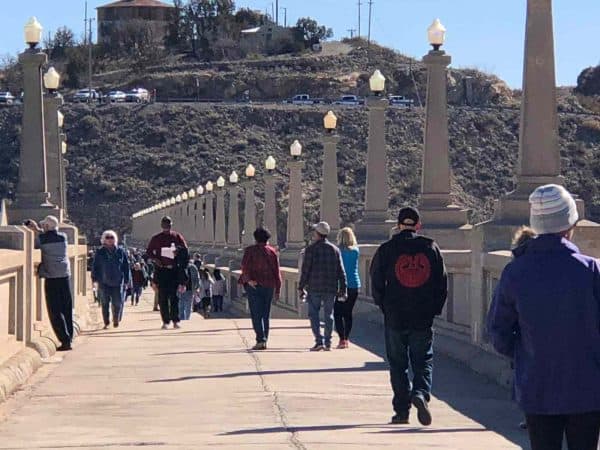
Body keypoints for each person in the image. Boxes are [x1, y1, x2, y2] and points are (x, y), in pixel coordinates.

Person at [487, 184, 600, 450]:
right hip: (587, 388)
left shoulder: (515, 272)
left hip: (537, 386)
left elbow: (498, 332)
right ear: (570, 221)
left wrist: (523, 354)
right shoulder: (590, 271)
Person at [370, 207, 447, 426]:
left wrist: (384, 305)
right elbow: (442, 283)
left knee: (397, 364)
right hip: (422, 316)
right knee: (423, 360)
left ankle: (401, 411)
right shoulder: (431, 247)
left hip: (395, 316)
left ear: (398, 225)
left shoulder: (386, 250)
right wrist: (434, 309)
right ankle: (421, 393)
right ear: (418, 225)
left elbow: (376, 282)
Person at [25, 216, 73, 351]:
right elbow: (49, 235)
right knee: (66, 308)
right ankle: (70, 336)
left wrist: (34, 229)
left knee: (55, 310)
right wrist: (39, 229)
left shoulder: (42, 240)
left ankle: (65, 340)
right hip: (64, 275)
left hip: (51, 277)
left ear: (46, 227)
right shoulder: (63, 237)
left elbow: (40, 241)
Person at [298, 222, 347, 352]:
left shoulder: (311, 250)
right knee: (329, 315)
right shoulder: (335, 250)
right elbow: (341, 271)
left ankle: (318, 341)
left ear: (317, 234)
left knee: (313, 314)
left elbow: (305, 270)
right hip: (330, 288)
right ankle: (328, 342)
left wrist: (301, 286)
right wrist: (343, 289)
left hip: (314, 287)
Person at [239, 228, 281, 350]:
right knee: (265, 314)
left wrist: (248, 280)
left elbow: (244, 267)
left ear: (255, 238)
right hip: (269, 285)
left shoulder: (250, 251)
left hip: (254, 286)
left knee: (256, 313)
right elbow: (276, 271)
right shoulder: (272, 252)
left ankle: (260, 339)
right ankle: (264, 339)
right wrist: (278, 289)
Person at [146, 216, 187, 329]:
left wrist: (177, 251)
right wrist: (155, 259)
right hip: (161, 269)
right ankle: (165, 321)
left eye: (168, 225)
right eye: (164, 225)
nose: (166, 227)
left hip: (173, 269)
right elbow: (149, 251)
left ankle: (175, 320)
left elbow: (185, 250)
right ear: (161, 225)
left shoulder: (177, 236)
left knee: (174, 297)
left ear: (171, 225)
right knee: (163, 297)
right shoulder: (156, 238)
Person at [92, 230, 131, 329]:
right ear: (104, 240)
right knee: (104, 303)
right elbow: (95, 266)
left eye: (111, 237)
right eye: (107, 237)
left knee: (117, 302)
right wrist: (94, 279)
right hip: (103, 282)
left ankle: (116, 319)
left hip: (117, 282)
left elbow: (126, 267)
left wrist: (127, 280)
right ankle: (106, 321)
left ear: (115, 239)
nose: (110, 239)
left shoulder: (120, 251)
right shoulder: (100, 252)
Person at [334, 227, 361, 349]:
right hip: (354, 284)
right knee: (348, 313)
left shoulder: (337, 251)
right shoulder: (356, 251)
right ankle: (347, 338)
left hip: (340, 285)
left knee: (338, 313)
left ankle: (341, 339)